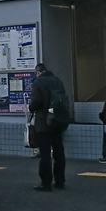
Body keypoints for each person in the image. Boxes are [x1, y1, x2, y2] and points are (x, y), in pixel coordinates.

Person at [28, 62, 69, 190]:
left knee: (45, 154)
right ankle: (60, 181)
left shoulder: (38, 82)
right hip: (57, 121)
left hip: (43, 123)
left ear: (38, 72)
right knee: (59, 152)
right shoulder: (57, 81)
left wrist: (30, 108)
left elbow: (36, 101)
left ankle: (46, 183)